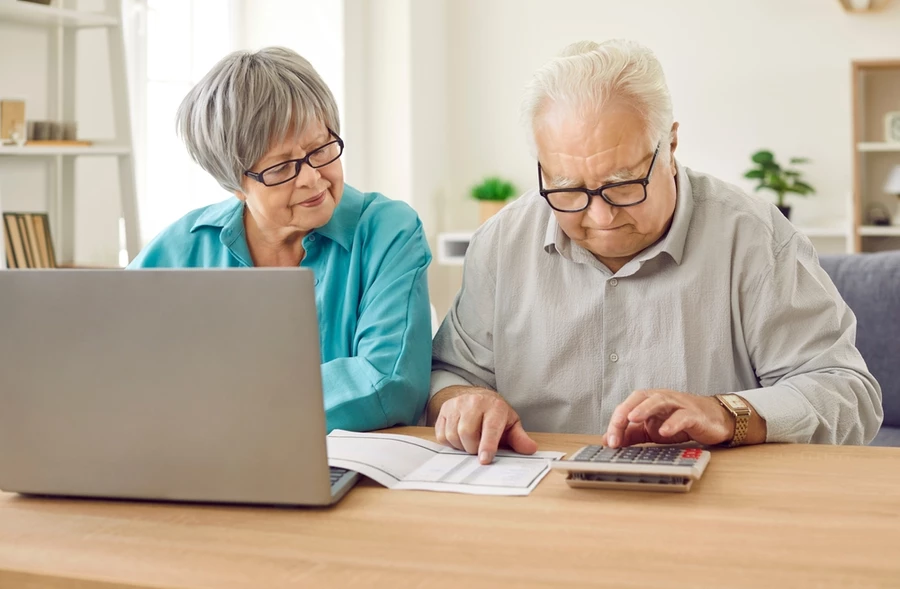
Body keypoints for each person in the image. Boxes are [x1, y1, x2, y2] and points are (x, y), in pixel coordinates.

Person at [429, 39, 883, 464]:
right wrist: (462, 401)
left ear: (671, 146)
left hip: (709, 514)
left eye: (624, 184)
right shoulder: (502, 242)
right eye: (568, 189)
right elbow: (448, 373)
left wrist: (728, 414)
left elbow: (848, 394)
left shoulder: (756, 239)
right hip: (540, 503)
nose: (601, 218)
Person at [129, 47, 432, 432]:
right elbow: (118, 362)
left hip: (342, 468)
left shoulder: (388, 231)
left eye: (320, 149)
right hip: (194, 461)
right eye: (282, 167)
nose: (311, 177)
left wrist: (219, 408)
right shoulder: (182, 247)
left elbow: (389, 384)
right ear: (233, 182)